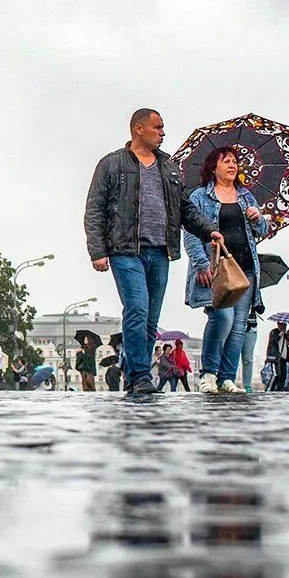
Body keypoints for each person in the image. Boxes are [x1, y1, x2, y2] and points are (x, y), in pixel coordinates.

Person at [85, 108, 222, 397]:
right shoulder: (112, 164)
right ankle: (139, 374)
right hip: (125, 250)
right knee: (136, 308)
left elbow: (185, 208)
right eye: (157, 127)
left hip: (160, 251)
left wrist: (209, 229)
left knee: (150, 318)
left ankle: (137, 378)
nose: (163, 132)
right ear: (138, 129)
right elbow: (95, 207)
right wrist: (97, 250)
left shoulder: (169, 167)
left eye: (162, 128)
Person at [182, 147, 270, 395]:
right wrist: (200, 263)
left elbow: (263, 230)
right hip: (217, 268)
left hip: (246, 269)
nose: (233, 165)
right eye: (226, 161)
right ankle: (209, 374)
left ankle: (227, 378)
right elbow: (190, 232)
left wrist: (258, 218)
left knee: (239, 324)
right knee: (222, 317)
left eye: (235, 161)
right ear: (213, 167)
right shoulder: (200, 196)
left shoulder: (245, 197)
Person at [264, 320, 289, 392]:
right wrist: (280, 335)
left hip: (284, 357)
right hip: (276, 357)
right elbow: (273, 341)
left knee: (283, 375)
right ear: (278, 324)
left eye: (285, 324)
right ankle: (270, 389)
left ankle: (280, 389)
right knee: (277, 374)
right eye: (283, 324)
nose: (284, 326)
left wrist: (288, 335)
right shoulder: (274, 332)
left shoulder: (285, 334)